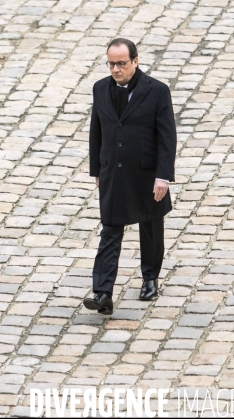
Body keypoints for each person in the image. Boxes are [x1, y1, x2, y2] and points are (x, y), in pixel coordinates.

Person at [83, 38, 177, 315]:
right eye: (111, 64)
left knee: (150, 227)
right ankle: (102, 293)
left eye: (121, 64)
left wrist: (163, 176)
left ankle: (150, 277)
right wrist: (97, 170)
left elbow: (167, 136)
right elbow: (96, 130)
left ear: (135, 61)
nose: (115, 69)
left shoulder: (157, 91)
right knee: (110, 230)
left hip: (146, 173)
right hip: (114, 172)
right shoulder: (100, 88)